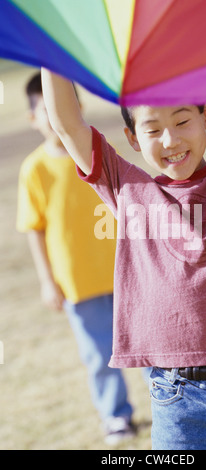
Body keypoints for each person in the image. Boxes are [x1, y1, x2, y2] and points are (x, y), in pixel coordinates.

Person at [40, 68, 206, 450]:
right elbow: (66, 124)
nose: (170, 139)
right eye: (153, 129)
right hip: (179, 403)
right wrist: (47, 49)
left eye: (182, 120)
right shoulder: (127, 190)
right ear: (132, 138)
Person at [16, 72, 136, 446]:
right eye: (45, 111)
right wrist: (47, 281)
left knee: (145, 343)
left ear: (76, 106)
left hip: (123, 272)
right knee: (99, 356)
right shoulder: (34, 170)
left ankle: (168, 399)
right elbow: (33, 228)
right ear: (34, 119)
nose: (54, 117)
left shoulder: (95, 155)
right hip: (77, 283)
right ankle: (115, 416)